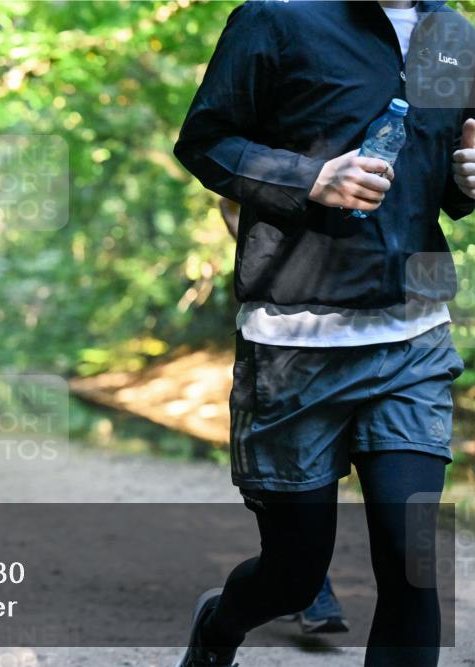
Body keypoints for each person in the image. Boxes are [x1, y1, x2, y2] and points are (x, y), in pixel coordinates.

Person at [172, 2, 474, 666]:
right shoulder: (276, 18)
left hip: (412, 338)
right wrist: (311, 177)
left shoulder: (454, 35)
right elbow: (204, 141)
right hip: (294, 344)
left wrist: (467, 181)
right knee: (294, 573)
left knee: (413, 561)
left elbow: (444, 176)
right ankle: (219, 627)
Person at [220, 195, 350, 636]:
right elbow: (234, 206)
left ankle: (311, 586)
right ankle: (314, 589)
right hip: (284, 336)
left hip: (370, 329)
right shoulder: (266, 158)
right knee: (301, 484)